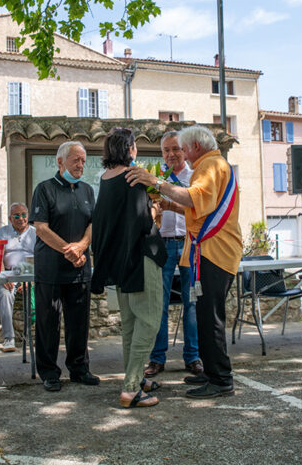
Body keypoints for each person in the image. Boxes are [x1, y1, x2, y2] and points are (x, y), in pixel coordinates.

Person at [127, 125, 241, 399]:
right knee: (203, 313)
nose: (181, 154)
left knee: (209, 317)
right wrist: (170, 206)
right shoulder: (212, 164)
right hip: (207, 252)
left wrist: (154, 182)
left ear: (195, 147)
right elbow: (200, 208)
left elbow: (195, 197)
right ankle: (212, 373)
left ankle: (221, 379)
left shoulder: (209, 166)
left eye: (183, 148)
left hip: (213, 252)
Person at [91, 128, 168, 408]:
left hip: (120, 262)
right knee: (148, 321)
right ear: (130, 149)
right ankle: (132, 387)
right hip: (142, 259)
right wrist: (156, 211)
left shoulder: (106, 179)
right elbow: (142, 222)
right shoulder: (133, 178)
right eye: (134, 145)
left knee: (130, 325)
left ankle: (134, 379)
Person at [30, 141, 97, 392]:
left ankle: (80, 369)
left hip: (80, 268)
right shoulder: (45, 189)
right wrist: (69, 251)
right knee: (48, 323)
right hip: (51, 270)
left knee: (79, 323)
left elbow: (93, 223)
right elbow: (41, 228)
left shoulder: (88, 190)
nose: (81, 165)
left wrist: (80, 247)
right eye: (75, 160)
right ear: (60, 162)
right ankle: (49, 372)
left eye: (83, 160)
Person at [144, 131, 202, 378]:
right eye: (166, 150)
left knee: (191, 301)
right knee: (160, 302)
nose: (171, 154)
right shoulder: (157, 177)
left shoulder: (195, 177)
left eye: (175, 149)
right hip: (163, 244)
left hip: (189, 243)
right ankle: (157, 358)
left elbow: (197, 208)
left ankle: (193, 357)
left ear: (185, 149)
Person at [0, 203, 37, 352]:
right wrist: (3, 277)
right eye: (16, 216)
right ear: (10, 218)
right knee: (5, 294)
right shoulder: (3, 231)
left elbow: (40, 258)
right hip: (9, 273)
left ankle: (36, 336)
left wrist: (30, 280)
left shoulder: (35, 232)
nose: (21, 218)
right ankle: (9, 338)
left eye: (24, 215)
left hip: (30, 272)